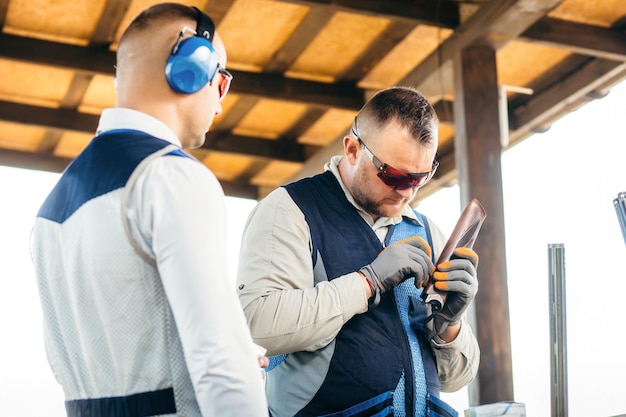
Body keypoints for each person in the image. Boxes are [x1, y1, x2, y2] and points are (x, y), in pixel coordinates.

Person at [30, 3, 268, 416]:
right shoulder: (171, 178)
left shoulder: (47, 212)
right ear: (193, 66)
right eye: (223, 81)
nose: (220, 104)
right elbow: (220, 365)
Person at [236, 86, 480, 417]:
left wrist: (449, 324)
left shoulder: (428, 232)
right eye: (393, 175)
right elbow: (259, 321)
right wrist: (368, 282)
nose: (406, 192)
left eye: (419, 178)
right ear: (352, 149)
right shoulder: (292, 210)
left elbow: (456, 380)